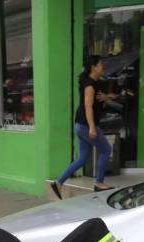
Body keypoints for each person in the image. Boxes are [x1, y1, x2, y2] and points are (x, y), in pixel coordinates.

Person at [51, 55, 114, 199]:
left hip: (80, 125)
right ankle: (99, 182)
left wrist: (107, 98)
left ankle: (58, 183)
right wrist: (92, 127)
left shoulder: (93, 82)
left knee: (83, 158)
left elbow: (99, 101)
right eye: (100, 64)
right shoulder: (89, 86)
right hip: (86, 125)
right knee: (106, 150)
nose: (102, 66)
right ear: (93, 67)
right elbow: (88, 107)